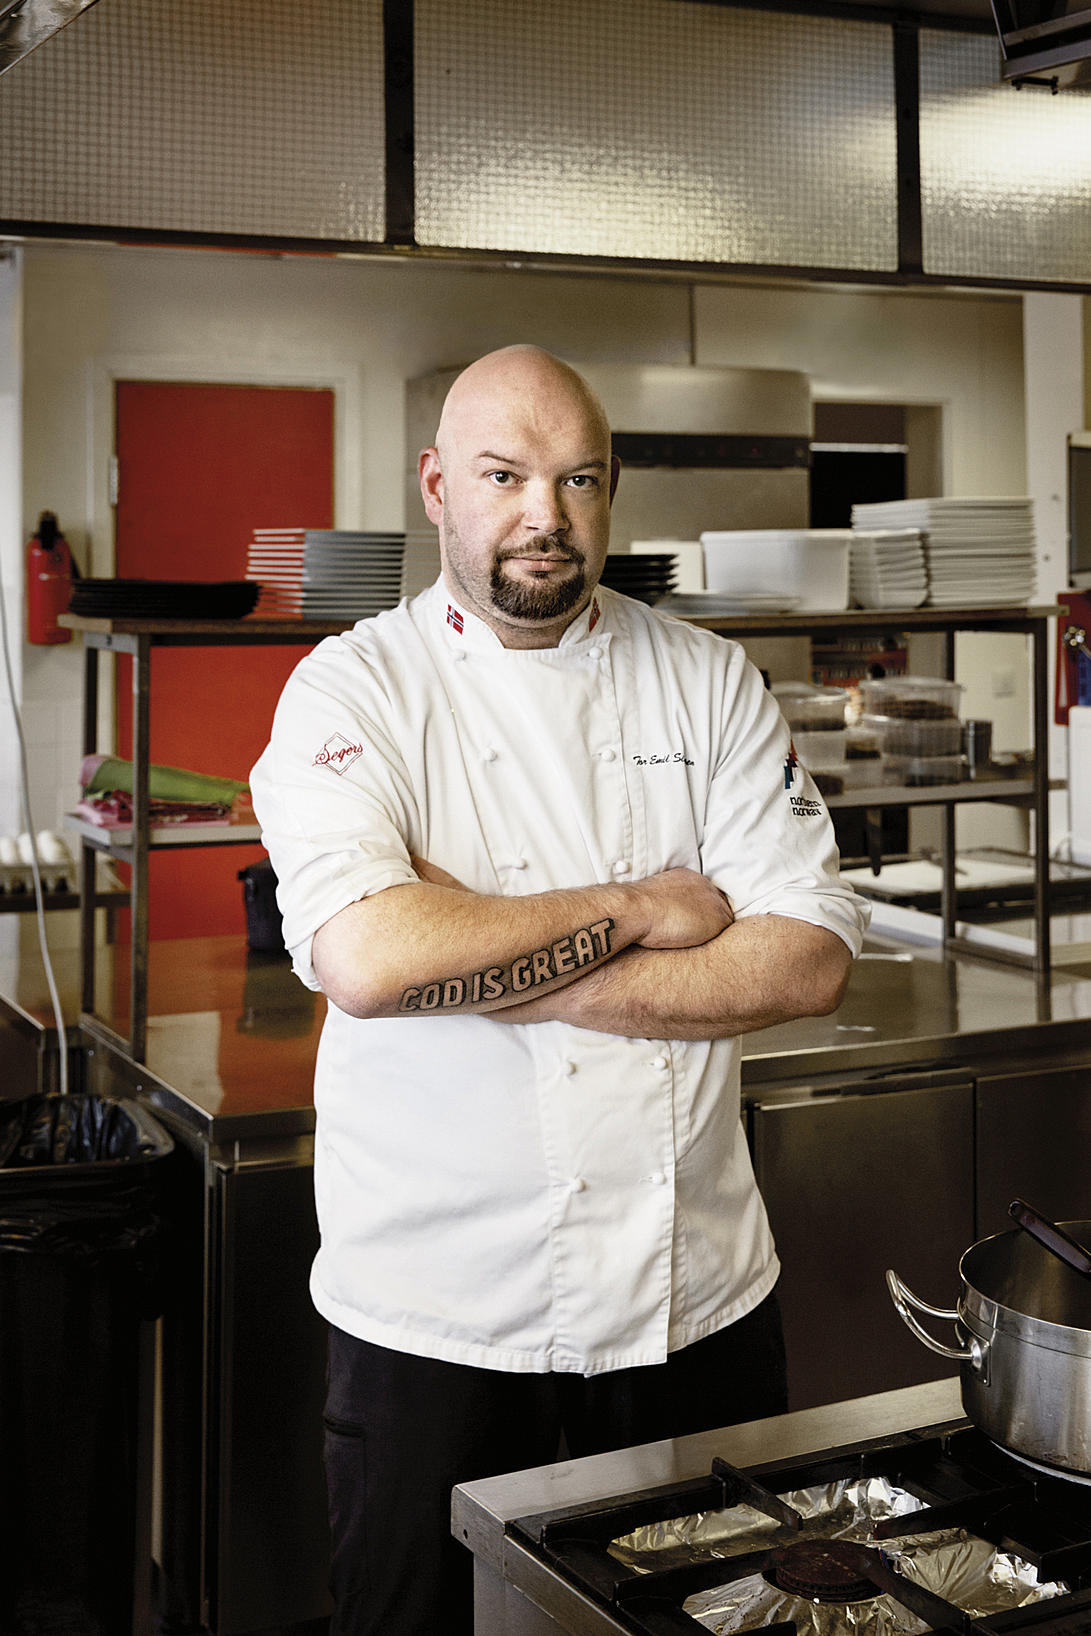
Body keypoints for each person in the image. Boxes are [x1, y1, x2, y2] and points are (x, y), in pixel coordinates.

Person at [249, 344, 870, 1636]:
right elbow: (366, 960)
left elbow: (807, 955)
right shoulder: (354, 689)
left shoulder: (706, 682)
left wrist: (467, 956)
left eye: (579, 478)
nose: (547, 512)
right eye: (505, 475)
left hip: (694, 1312)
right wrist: (647, 909)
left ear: (612, 488)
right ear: (435, 486)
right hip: (440, 1330)